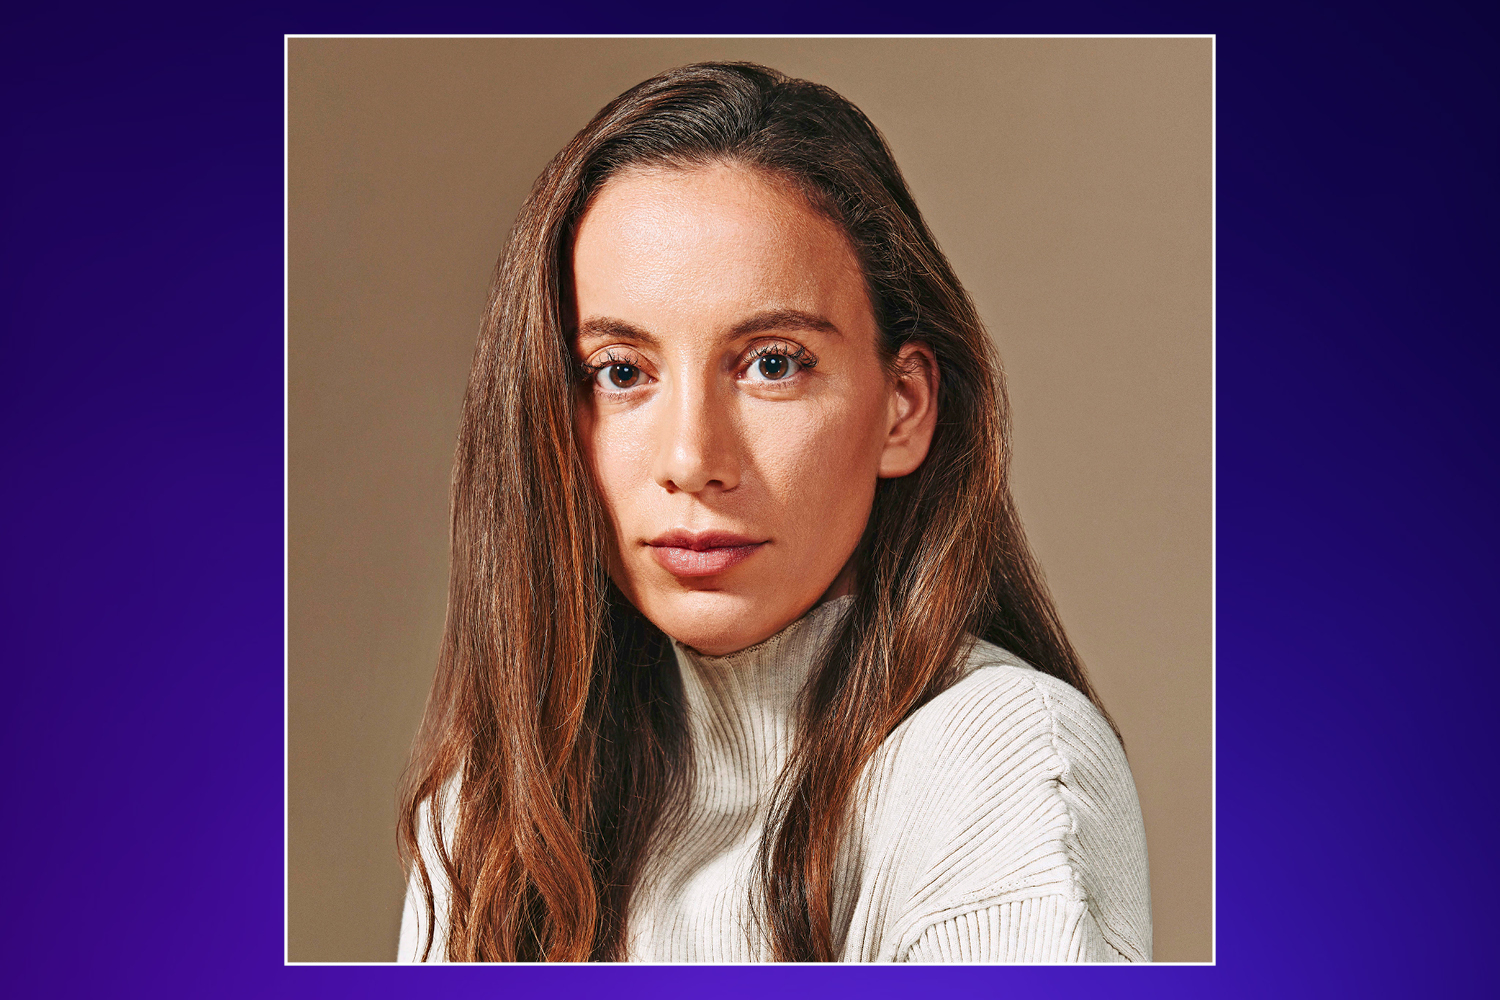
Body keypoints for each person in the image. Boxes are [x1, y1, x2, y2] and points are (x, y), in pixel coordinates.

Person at [396, 61, 1150, 963]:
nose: (692, 461)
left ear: (902, 407)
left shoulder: (1003, 763)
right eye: (622, 373)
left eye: (773, 363)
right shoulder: (489, 809)